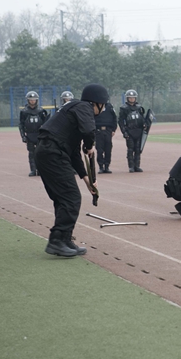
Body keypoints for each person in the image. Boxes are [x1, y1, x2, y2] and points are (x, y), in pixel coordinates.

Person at [35, 83, 108, 257]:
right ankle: (56, 240)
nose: (103, 109)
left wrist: (86, 179)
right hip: (53, 153)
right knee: (71, 197)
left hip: (47, 152)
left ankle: (65, 239)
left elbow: (74, 153)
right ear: (96, 103)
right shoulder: (83, 107)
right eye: (103, 105)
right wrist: (90, 146)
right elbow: (89, 131)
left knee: (63, 198)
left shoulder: (73, 111)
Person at [18, 91, 51, 176]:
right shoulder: (24, 112)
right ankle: (33, 170)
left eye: (34, 99)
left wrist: (46, 135)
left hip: (39, 135)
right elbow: (21, 125)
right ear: (28, 100)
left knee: (41, 153)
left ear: (36, 100)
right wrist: (23, 136)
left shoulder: (41, 111)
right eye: (30, 99)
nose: (32, 101)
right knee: (31, 153)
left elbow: (46, 124)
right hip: (30, 135)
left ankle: (40, 170)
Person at [118, 89, 147, 172]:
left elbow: (143, 119)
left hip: (139, 131)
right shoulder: (124, 108)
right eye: (130, 98)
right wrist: (124, 132)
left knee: (138, 149)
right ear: (127, 98)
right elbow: (120, 121)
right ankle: (131, 166)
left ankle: (137, 166)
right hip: (129, 132)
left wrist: (145, 124)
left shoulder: (139, 108)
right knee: (130, 149)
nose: (132, 99)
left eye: (133, 97)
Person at [95, 101, 117, 174]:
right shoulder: (95, 106)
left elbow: (114, 118)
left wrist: (113, 129)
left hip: (108, 130)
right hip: (98, 131)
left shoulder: (109, 107)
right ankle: (101, 166)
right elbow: (91, 118)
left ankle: (107, 166)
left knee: (108, 149)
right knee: (99, 150)